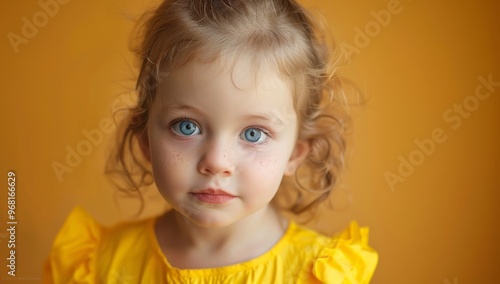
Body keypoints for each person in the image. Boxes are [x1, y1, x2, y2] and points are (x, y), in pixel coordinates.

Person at [44, 0, 378, 282]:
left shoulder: (319, 275)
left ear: (295, 153)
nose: (216, 161)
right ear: (145, 138)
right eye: (186, 127)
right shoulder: (99, 267)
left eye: (253, 134)